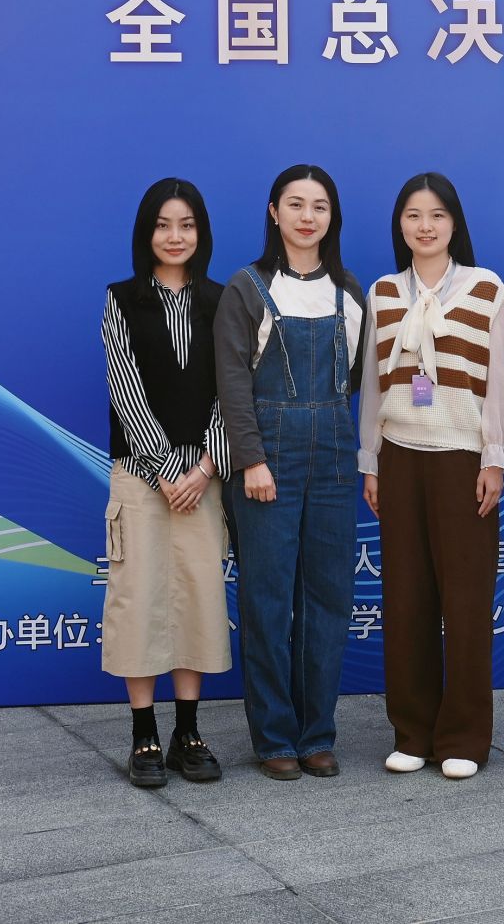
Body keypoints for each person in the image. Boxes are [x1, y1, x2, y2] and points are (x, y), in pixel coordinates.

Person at [357, 172, 504, 780]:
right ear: (399, 225)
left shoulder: (486, 289)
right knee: (406, 601)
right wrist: (371, 460)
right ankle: (413, 732)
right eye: (413, 216)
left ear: (455, 223)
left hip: (462, 460)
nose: (424, 227)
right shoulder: (382, 294)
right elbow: (373, 386)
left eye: (437, 215)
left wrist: (494, 456)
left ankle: (464, 737)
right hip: (399, 456)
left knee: (467, 603)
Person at [214, 165, 364, 780]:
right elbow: (232, 384)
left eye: (319, 206)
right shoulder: (246, 287)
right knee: (268, 598)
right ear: (274, 212)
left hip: (335, 457)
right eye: (295, 204)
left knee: (328, 597)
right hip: (266, 458)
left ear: (332, 217)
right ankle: (275, 737)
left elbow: (355, 378)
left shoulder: (348, 291)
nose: (308, 217)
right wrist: (252, 459)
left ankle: (316, 734)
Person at [101, 178, 231, 789]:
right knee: (140, 597)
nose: (174, 236)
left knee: (197, 596)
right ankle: (143, 733)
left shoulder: (223, 300)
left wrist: (203, 469)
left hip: (203, 478)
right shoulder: (121, 300)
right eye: (162, 225)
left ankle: (188, 732)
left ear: (201, 232)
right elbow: (123, 384)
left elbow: (234, 390)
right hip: (140, 476)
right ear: (145, 232)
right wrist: (165, 470)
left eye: (186, 225)